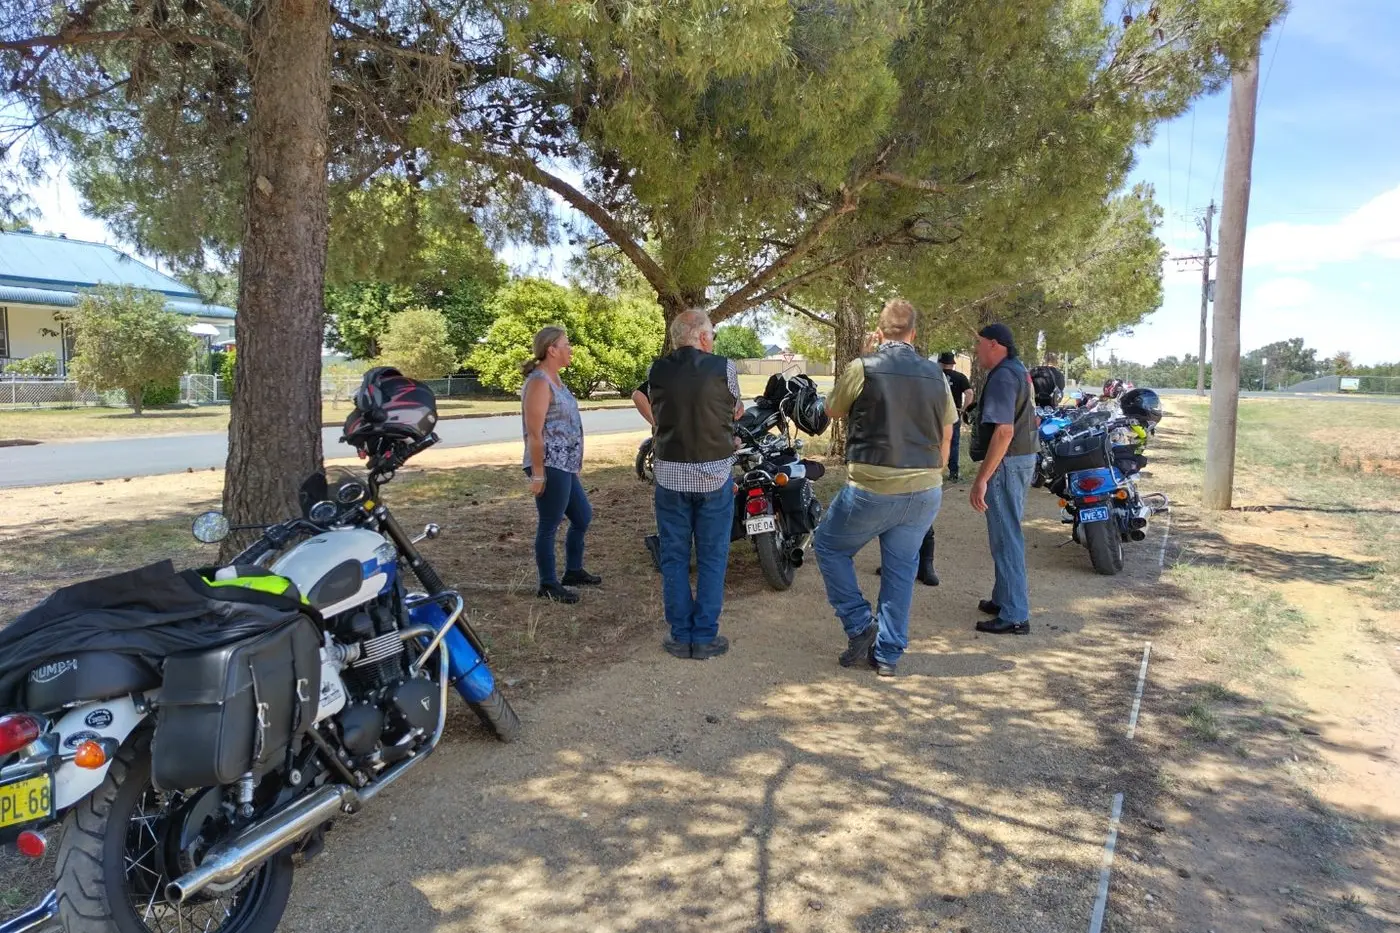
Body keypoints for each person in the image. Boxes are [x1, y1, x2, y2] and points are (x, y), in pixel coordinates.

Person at [814, 299, 954, 677]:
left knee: (828, 545)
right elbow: (947, 430)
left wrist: (861, 357)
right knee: (901, 569)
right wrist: (934, 471)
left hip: (873, 485)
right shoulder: (935, 374)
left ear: (880, 331)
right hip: (924, 488)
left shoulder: (864, 367)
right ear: (914, 333)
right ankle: (888, 655)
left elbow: (832, 410)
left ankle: (860, 625)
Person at [647, 309, 745, 660]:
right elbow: (736, 410)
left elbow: (654, 407)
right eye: (712, 335)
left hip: (670, 476)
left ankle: (680, 634)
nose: (713, 340)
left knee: (674, 556)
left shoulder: (655, 370)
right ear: (703, 337)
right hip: (713, 476)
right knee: (712, 555)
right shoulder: (724, 368)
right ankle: (704, 636)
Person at [968, 323, 1039, 634]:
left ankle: (1014, 615)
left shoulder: (1003, 376)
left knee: (1006, 537)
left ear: (995, 345)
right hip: (1021, 459)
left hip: (1007, 464)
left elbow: (1005, 431)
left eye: (979, 344)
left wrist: (982, 477)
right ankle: (1003, 598)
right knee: (1006, 532)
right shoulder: (1017, 370)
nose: (976, 351)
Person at [521, 326, 600, 605]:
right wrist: (539, 475)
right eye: (566, 345)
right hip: (549, 464)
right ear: (551, 350)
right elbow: (535, 432)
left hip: (565, 464)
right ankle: (548, 583)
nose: (570, 349)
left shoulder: (557, 381)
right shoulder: (539, 382)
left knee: (582, 517)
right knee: (549, 524)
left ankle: (573, 571)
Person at [938, 351, 974, 483]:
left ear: (941, 363)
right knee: (953, 443)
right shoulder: (960, 377)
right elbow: (969, 393)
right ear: (952, 364)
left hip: (935, 415)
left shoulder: (935, 376)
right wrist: (964, 410)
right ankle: (953, 472)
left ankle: (933, 471)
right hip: (953, 415)